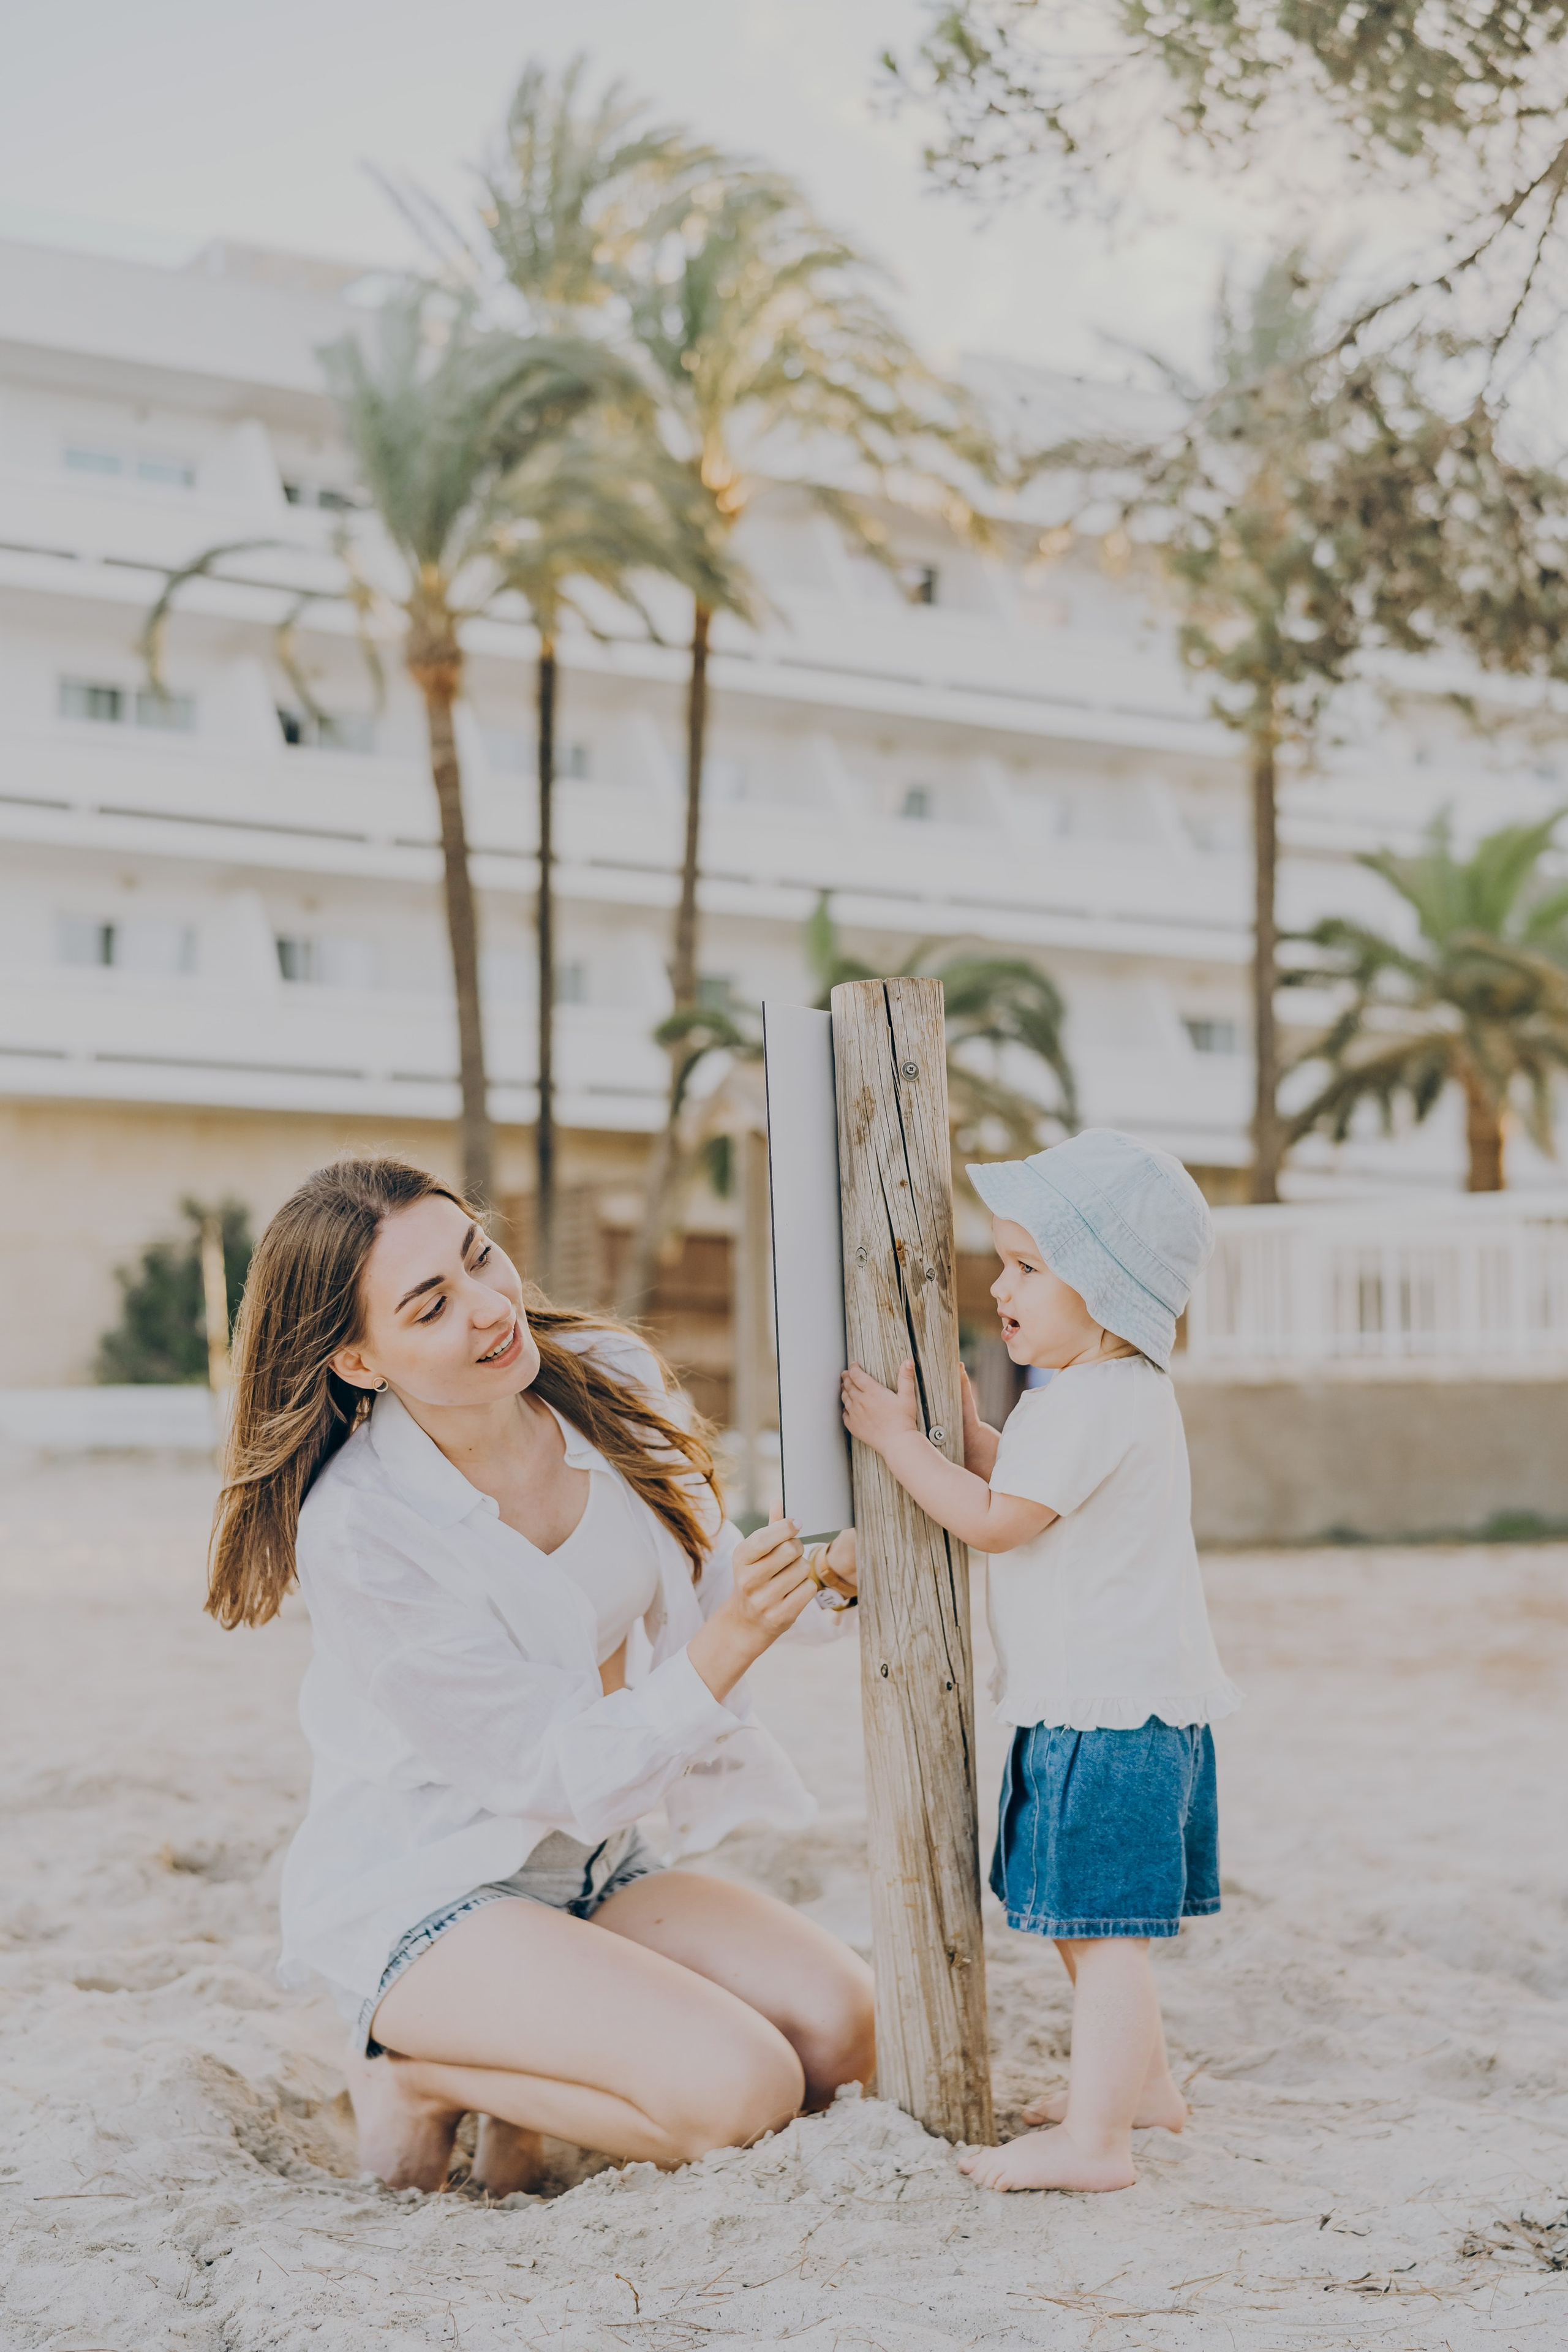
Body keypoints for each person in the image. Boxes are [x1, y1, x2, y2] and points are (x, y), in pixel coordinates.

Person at [208, 1156, 871, 2194]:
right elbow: (545, 1762)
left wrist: (825, 1574)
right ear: (359, 1360)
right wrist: (734, 1636)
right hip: (435, 1890)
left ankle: (531, 2061)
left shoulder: (607, 1377)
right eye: (431, 1306)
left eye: (480, 1258)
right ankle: (422, 2077)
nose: (488, 1309)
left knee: (845, 2034)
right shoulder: (361, 1530)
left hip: (597, 1861)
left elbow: (709, 1587)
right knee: (743, 2093)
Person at [841, 1128, 1238, 2194]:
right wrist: (971, 1433)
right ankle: (1140, 2092)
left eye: (1028, 1267)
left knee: (1102, 1940)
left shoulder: (1088, 1402)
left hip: (1103, 1722)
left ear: (1103, 1290)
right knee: (1087, 1929)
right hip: (1133, 1713)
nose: (1000, 1285)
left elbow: (993, 1522)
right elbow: (1026, 1487)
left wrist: (898, 1442)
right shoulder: (1117, 1399)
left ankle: (1098, 2144)